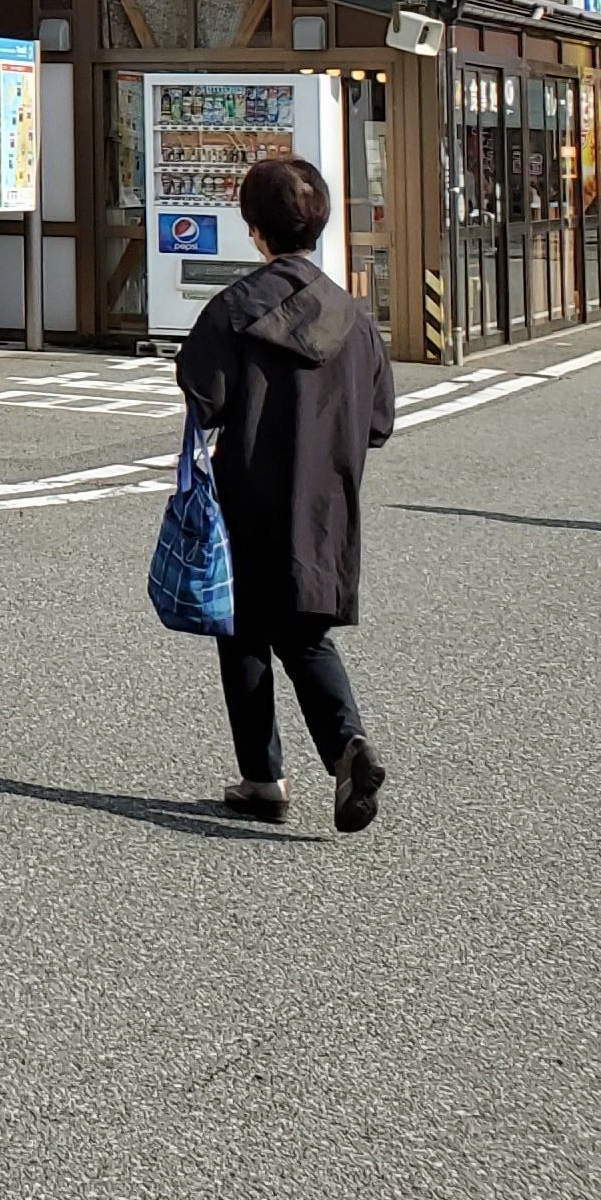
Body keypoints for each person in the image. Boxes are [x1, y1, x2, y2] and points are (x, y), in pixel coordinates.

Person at [174, 152, 395, 830]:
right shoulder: (354, 318)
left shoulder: (236, 309)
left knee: (240, 629)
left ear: (254, 229)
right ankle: (347, 745)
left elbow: (201, 395)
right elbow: (380, 422)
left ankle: (264, 778)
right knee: (304, 634)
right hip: (328, 502)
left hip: (248, 497)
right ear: (319, 223)